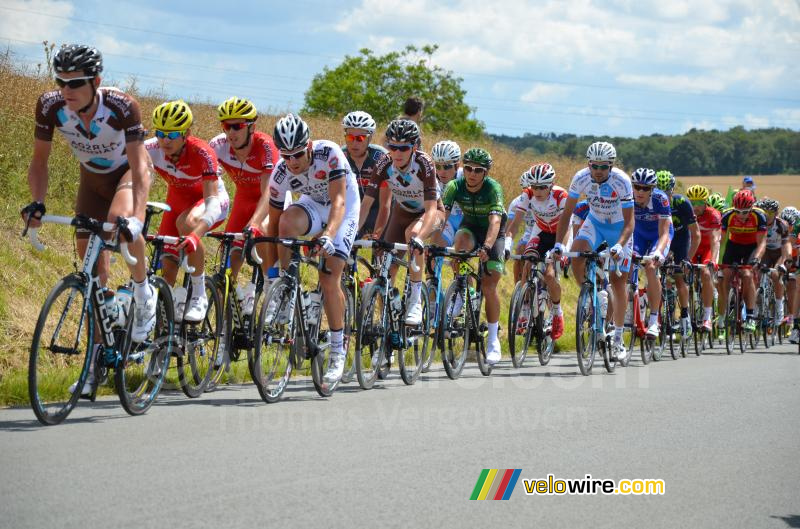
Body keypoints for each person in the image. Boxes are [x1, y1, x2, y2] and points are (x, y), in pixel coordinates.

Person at [22, 44, 155, 395]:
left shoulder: (121, 106)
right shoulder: (50, 106)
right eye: (60, 82)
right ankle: (98, 358)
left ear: (95, 81)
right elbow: (39, 163)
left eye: (75, 83)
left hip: (127, 175)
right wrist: (37, 202)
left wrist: (138, 217)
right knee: (93, 272)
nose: (66, 91)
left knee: (119, 222)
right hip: (91, 181)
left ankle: (144, 293)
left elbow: (141, 167)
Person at [247, 114, 361, 384]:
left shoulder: (329, 154)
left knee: (329, 276)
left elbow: (339, 202)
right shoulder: (282, 171)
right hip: (312, 204)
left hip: (343, 208)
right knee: (286, 222)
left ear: (308, 146)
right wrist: (273, 274)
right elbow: (274, 224)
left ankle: (336, 350)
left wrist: (328, 236)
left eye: (298, 154)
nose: (293, 161)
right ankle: (288, 288)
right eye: (286, 156)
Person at [146, 100, 230, 322]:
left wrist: (196, 234)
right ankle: (165, 322)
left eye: (173, 135)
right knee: (167, 262)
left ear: (186, 134)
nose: (165, 139)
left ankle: (199, 294)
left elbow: (212, 202)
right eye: (161, 133)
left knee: (188, 223)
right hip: (178, 201)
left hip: (211, 200)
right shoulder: (150, 149)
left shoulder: (202, 152)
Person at [553, 141, 634, 363]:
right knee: (577, 253)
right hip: (596, 223)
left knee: (619, 283)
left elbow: (630, 222)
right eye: (594, 166)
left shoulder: (622, 181)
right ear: (588, 164)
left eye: (603, 167)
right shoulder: (580, 178)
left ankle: (618, 339)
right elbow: (567, 214)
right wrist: (560, 244)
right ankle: (590, 294)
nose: (598, 171)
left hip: (619, 228)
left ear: (611, 166)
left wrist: (619, 245)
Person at [358, 119, 444, 325]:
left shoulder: (424, 163)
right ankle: (385, 321)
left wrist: (421, 239)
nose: (397, 152)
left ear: (414, 147)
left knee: (413, 235)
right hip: (402, 211)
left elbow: (432, 208)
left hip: (430, 213)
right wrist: (352, 233)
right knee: (385, 267)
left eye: (403, 148)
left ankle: (415, 300)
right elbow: (366, 204)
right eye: (392, 146)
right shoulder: (383, 163)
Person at [209, 96, 279, 315]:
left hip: (271, 201)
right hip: (243, 200)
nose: (231, 132)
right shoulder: (218, 145)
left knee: (264, 230)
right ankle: (224, 321)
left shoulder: (266, 146)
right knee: (229, 257)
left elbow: (269, 192)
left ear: (251, 127)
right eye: (226, 126)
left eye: (237, 126)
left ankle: (270, 284)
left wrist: (255, 224)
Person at [441, 148, 506, 365]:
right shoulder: (454, 186)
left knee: (489, 286)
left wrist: (487, 247)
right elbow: (443, 215)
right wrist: (432, 240)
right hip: (469, 227)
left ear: (485, 173)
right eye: (467, 168)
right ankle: (462, 291)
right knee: (459, 245)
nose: (472, 173)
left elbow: (495, 222)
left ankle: (493, 339)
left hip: (492, 233)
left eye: (478, 170)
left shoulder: (493, 188)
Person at [507, 163, 568, 339]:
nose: (538, 191)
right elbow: (516, 222)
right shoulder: (527, 195)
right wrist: (508, 243)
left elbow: (566, 225)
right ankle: (525, 306)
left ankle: (557, 312)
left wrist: (560, 247)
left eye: (542, 187)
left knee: (549, 275)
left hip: (560, 233)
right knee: (528, 259)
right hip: (540, 231)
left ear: (551, 185)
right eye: (534, 187)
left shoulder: (560, 196)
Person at [655, 170, 701, 337]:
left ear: (672, 190)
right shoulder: (651, 202)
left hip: (681, 240)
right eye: (658, 192)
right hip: (663, 240)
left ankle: (684, 316)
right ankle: (661, 318)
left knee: (679, 276)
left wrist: (688, 258)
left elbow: (696, 234)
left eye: (666, 192)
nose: (663, 196)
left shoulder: (682, 203)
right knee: (659, 277)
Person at [631, 168, 673, 339]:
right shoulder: (626, 196)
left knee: (650, 267)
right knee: (628, 265)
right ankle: (632, 302)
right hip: (638, 235)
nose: (640, 191)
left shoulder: (660, 199)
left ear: (652, 189)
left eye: (645, 188)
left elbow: (664, 232)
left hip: (659, 236)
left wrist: (658, 252)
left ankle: (654, 320)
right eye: (637, 187)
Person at [718, 189, 767, 334]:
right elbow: (720, 241)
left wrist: (757, 259)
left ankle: (750, 315)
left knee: (746, 274)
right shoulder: (727, 216)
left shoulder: (759, 216)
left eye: (745, 212)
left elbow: (762, 243)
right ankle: (723, 312)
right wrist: (717, 261)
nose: (740, 215)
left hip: (752, 247)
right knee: (726, 274)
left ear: (751, 208)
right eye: (737, 211)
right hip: (734, 246)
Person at [340, 111, 389, 238]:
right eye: (350, 137)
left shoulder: (381, 157)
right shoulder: (340, 156)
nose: (354, 143)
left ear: (370, 138)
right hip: (353, 209)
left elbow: (385, 205)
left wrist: (378, 234)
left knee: (380, 250)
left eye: (360, 138)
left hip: (378, 209)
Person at [687, 185, 722, 332]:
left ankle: (707, 317)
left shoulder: (713, 214)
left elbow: (715, 239)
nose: (695, 207)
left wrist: (713, 260)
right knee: (684, 276)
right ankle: (687, 314)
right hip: (693, 247)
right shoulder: (686, 212)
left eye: (699, 203)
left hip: (708, 249)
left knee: (706, 274)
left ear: (705, 201)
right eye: (692, 203)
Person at [755, 197, 792, 325]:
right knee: (758, 274)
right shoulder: (758, 223)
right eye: (763, 212)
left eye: (770, 213)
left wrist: (784, 261)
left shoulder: (782, 225)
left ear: (776, 213)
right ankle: (758, 307)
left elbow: (786, 245)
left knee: (776, 275)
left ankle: (779, 307)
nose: (766, 216)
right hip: (765, 252)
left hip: (778, 252)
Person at [430, 140, 463, 248]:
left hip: (468, 220)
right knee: (436, 246)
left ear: (457, 165)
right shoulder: (431, 178)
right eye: (438, 166)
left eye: (447, 166)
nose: (442, 171)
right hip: (448, 220)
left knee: (461, 254)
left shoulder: (466, 176)